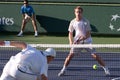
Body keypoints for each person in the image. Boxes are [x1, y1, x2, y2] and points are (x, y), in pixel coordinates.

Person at [58, 6, 110, 76]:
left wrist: (79, 40)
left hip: (87, 42)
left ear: (82, 13)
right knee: (70, 56)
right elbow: (70, 33)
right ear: (74, 13)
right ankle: (63, 70)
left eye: (79, 12)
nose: (78, 14)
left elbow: (87, 34)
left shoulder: (86, 21)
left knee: (95, 56)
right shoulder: (72, 22)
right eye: (77, 12)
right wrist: (71, 42)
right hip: (77, 42)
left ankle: (106, 69)